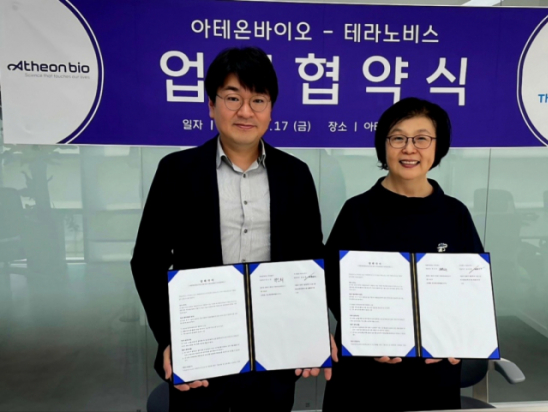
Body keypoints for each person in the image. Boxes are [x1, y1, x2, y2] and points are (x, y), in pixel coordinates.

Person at [131, 46, 329, 411]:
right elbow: (147, 261)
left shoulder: (296, 175)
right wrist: (171, 338)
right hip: (202, 350)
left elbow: (310, 258)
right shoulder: (176, 172)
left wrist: (314, 329)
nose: (246, 111)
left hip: (275, 350)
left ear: (270, 109)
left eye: (258, 100)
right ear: (211, 105)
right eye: (233, 98)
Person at [322, 97, 484, 412]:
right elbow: (331, 286)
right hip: (364, 374)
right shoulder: (357, 212)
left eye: (422, 139)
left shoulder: (455, 214)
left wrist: (461, 338)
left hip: (432, 374)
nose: (409, 149)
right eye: (398, 138)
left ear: (438, 147)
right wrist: (366, 336)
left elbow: (472, 292)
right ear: (384, 146)